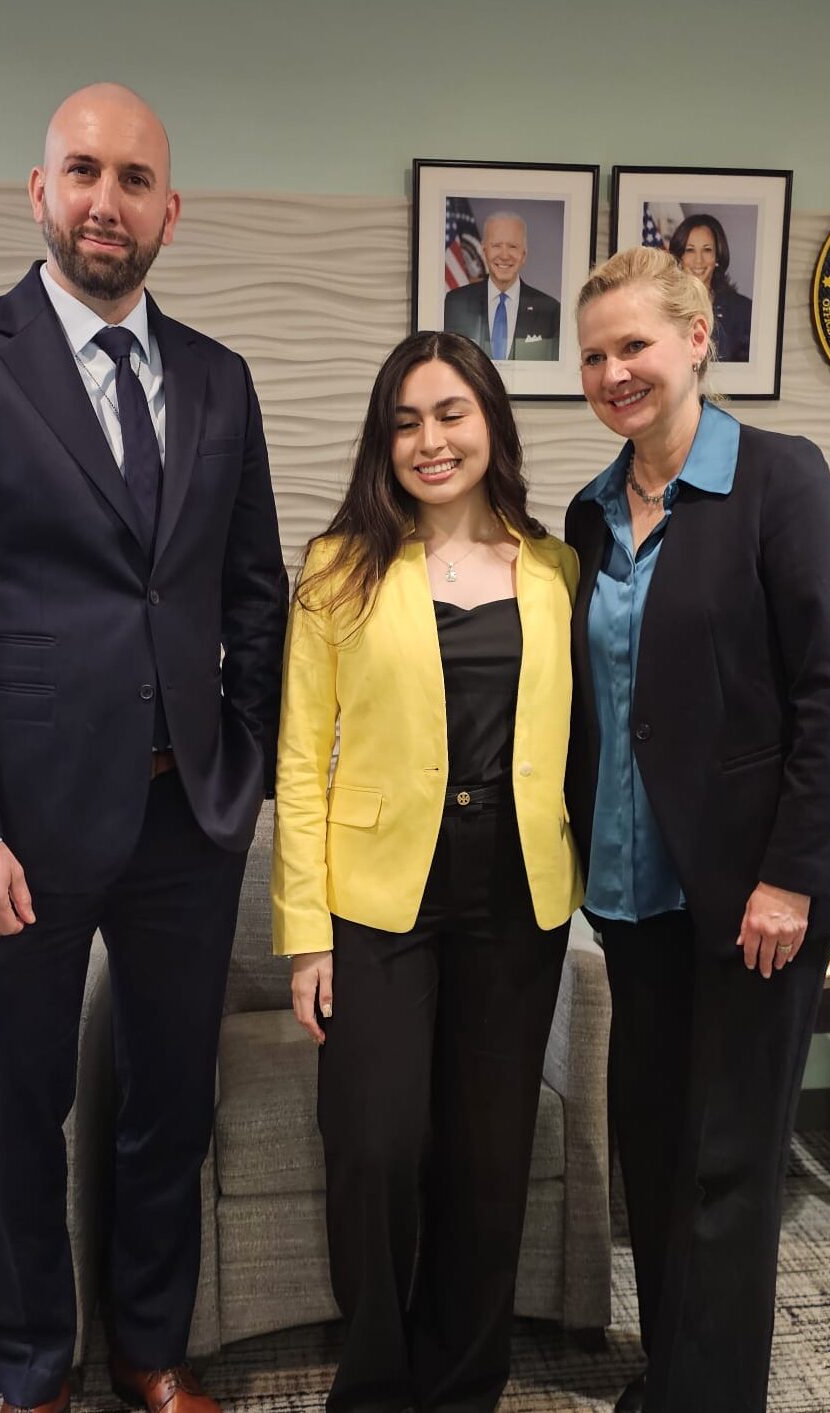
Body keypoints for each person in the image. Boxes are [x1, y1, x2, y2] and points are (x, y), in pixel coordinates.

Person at [0, 83, 287, 1413]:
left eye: (135, 178)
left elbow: (252, 595)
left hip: (188, 825)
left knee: (172, 1108)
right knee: (25, 1125)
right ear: (39, 192)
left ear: (173, 209)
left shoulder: (221, 379)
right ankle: (37, 1375)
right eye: (83, 172)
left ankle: (151, 1354)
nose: (108, 200)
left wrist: (249, 766)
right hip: (22, 838)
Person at [564, 246, 830, 1413]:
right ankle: (673, 1372)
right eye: (593, 355)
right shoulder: (590, 514)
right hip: (635, 893)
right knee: (655, 1146)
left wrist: (792, 877)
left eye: (634, 345)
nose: (613, 371)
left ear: (699, 341)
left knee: (735, 1160)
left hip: (756, 899)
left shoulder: (781, 482)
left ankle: (716, 1396)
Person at [272, 330, 584, 1413]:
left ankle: (462, 1388)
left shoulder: (554, 568)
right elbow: (300, 761)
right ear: (382, 441)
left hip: (517, 903)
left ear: (490, 419)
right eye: (404, 421)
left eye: (450, 412)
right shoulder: (338, 567)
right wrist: (306, 932)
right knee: (375, 1146)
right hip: (377, 906)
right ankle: (373, 1387)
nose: (429, 440)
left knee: (489, 1161)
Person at [444, 212, 561, 360]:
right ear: (484, 251)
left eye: (513, 246)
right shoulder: (455, 303)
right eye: (496, 245)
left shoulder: (550, 310)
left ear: (524, 254)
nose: (504, 255)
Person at [668, 212, 753, 362]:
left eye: (707, 250)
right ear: (679, 256)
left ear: (717, 256)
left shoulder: (743, 311)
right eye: (690, 250)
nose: (698, 260)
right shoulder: (664, 307)